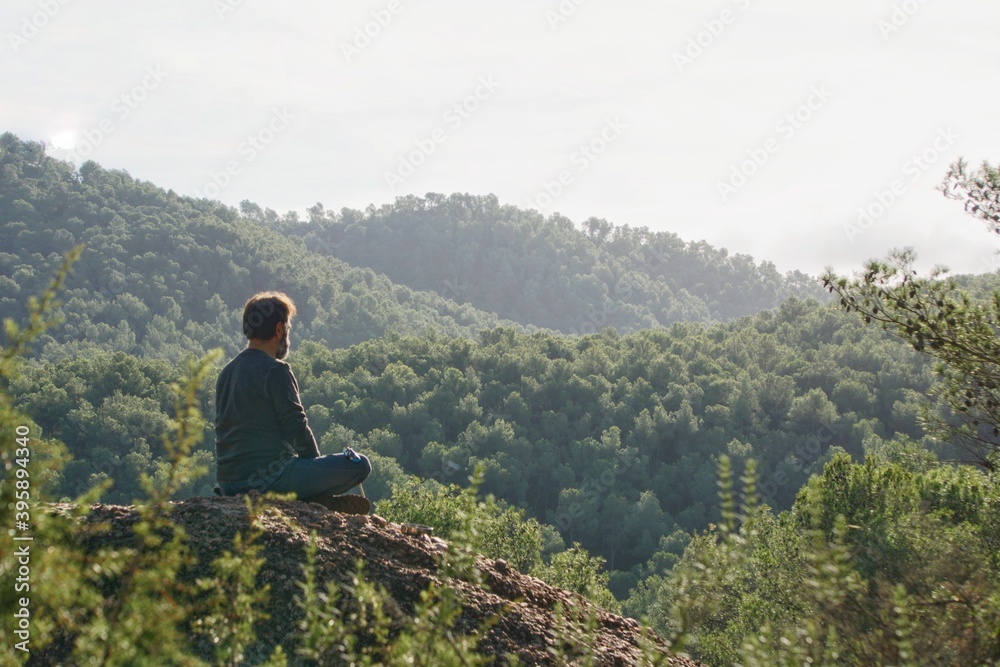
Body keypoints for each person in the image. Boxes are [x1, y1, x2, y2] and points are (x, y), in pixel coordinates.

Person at [214, 291, 372, 514]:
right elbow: (296, 430)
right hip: (270, 480)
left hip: (229, 484)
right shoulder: (276, 370)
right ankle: (313, 499)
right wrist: (314, 469)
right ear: (279, 330)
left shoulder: (226, 372)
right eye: (287, 329)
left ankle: (307, 498)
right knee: (359, 465)